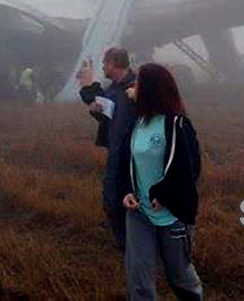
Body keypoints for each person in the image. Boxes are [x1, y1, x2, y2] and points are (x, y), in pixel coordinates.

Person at [115, 63, 203, 300]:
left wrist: (163, 194)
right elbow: (125, 164)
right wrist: (125, 191)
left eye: (139, 83)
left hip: (171, 214)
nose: (134, 86)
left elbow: (189, 170)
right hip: (138, 213)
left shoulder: (177, 125)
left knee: (180, 277)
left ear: (151, 88)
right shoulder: (137, 123)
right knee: (139, 280)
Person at [77, 47, 137, 251]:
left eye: (105, 62)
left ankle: (139, 246)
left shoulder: (138, 86)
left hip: (134, 156)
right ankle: (126, 246)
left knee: (133, 202)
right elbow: (110, 115)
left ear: (112, 63)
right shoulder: (113, 89)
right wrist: (96, 110)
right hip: (115, 153)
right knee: (112, 201)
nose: (103, 66)